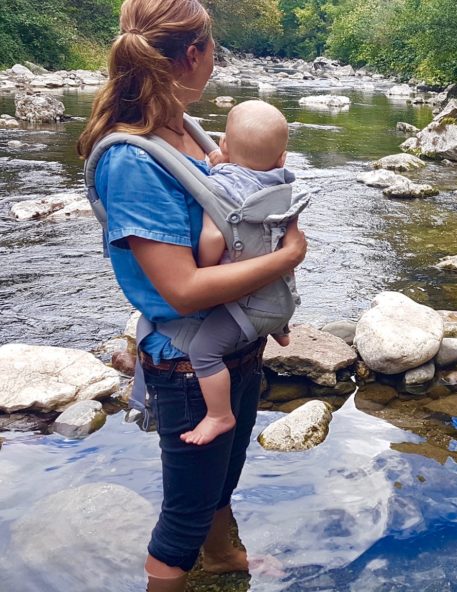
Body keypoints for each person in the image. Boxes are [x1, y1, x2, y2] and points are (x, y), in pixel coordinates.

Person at [76, 1, 307, 591]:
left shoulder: (187, 130)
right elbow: (180, 291)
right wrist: (287, 257)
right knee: (181, 522)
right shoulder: (131, 158)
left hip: (234, 341)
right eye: (215, 48)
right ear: (196, 54)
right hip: (187, 361)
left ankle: (226, 558)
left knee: (219, 482)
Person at [182, 99, 299, 446]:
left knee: (203, 351)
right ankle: (282, 331)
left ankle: (219, 414)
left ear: (224, 146)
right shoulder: (283, 183)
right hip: (282, 296)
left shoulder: (219, 189)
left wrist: (203, 266)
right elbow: (249, 175)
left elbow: (212, 237)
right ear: (282, 158)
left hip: (245, 304)